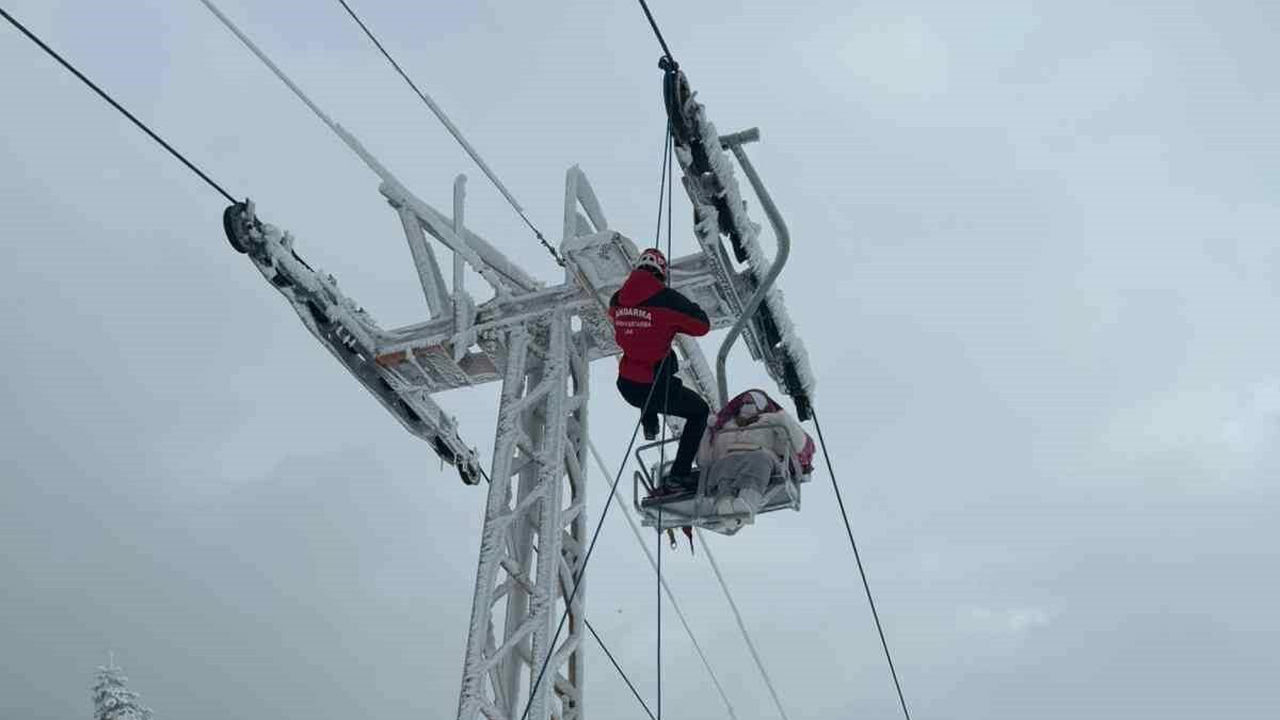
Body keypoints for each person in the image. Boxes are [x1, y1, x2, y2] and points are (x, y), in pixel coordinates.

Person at [609, 248, 711, 489]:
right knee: (699, 412)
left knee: (659, 359)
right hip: (654, 386)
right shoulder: (667, 299)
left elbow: (619, 316)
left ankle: (650, 422)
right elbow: (701, 326)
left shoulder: (617, 299)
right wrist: (685, 307)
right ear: (662, 272)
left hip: (627, 386)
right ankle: (679, 473)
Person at [697, 389, 814, 518]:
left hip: (759, 456)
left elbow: (797, 444)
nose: (746, 405)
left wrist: (781, 419)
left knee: (758, 461)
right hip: (730, 459)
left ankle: (747, 502)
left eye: (751, 402)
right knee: (722, 466)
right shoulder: (726, 427)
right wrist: (708, 432)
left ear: (761, 405)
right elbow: (705, 460)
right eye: (744, 402)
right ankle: (725, 503)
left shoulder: (769, 422)